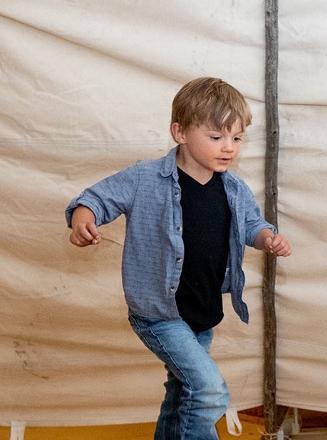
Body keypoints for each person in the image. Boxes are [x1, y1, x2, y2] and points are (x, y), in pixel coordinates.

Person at [65, 77, 291, 440]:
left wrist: (268, 238)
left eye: (236, 138)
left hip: (200, 313)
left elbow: (252, 223)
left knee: (184, 391)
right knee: (209, 390)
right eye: (216, 137)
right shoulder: (145, 178)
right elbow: (95, 199)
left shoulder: (233, 187)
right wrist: (83, 219)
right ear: (179, 132)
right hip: (158, 313)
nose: (228, 148)